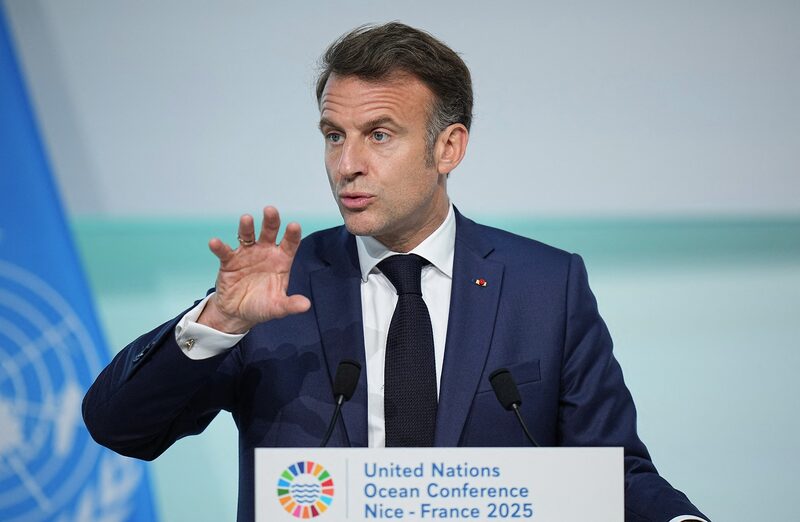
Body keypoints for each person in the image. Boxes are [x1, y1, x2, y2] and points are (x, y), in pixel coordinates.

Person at [83, 22, 708, 522]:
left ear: (449, 148)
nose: (346, 164)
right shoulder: (277, 291)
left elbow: (610, 474)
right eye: (333, 135)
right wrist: (218, 320)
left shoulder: (547, 286)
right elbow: (121, 428)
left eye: (379, 135)